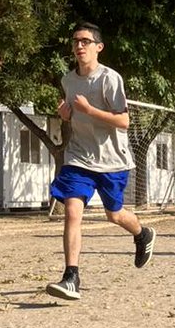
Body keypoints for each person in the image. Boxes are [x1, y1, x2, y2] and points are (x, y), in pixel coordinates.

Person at [46, 22, 156, 300]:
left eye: (85, 41)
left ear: (99, 47)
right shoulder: (68, 80)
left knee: (114, 215)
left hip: (112, 161)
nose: (79, 46)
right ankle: (71, 276)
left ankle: (143, 234)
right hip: (79, 157)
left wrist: (88, 109)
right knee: (72, 211)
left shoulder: (110, 79)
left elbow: (124, 121)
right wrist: (68, 115)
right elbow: (74, 116)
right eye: (75, 41)